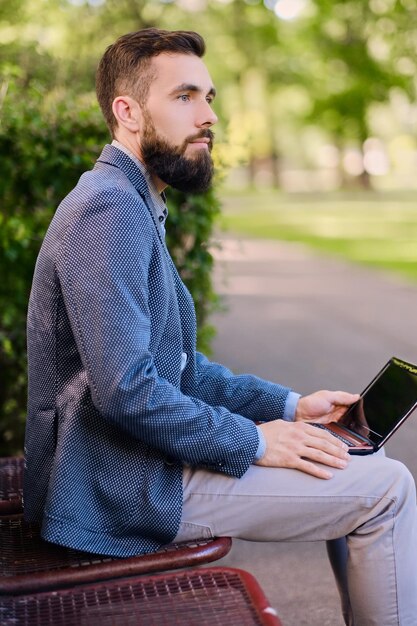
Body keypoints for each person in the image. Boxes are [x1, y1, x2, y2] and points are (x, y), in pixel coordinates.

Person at [24, 28, 417, 625]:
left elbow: (178, 368)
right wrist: (257, 442)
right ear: (127, 112)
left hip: (134, 465)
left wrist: (289, 408)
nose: (208, 115)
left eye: (209, 98)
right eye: (185, 97)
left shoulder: (132, 201)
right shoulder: (107, 210)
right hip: (117, 485)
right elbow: (129, 393)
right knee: (386, 489)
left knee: (359, 466)